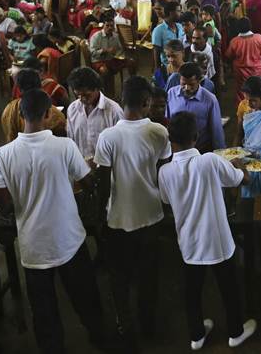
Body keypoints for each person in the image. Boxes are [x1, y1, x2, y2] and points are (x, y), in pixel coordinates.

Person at [0, 89, 111, 354]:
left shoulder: (2, 156)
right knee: (85, 297)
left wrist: (24, 190)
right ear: (48, 114)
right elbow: (88, 183)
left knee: (43, 309)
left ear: (20, 114)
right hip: (68, 238)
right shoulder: (64, 146)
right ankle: (99, 338)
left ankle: (52, 347)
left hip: (34, 246)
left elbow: (3, 206)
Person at [158, 111, 257, 349]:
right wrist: (240, 166)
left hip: (189, 240)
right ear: (196, 136)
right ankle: (235, 332)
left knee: (192, 290)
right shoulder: (209, 161)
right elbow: (241, 180)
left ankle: (196, 335)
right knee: (228, 286)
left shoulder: (165, 172)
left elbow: (167, 200)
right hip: (217, 239)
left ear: (170, 139)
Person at [93, 76, 169, 351]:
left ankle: (125, 326)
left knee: (120, 278)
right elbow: (164, 171)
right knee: (149, 277)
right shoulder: (159, 132)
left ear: (122, 101)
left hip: (118, 219)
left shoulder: (108, 136)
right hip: (151, 215)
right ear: (147, 102)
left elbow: (103, 181)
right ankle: (148, 322)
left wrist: (101, 217)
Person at [166, 62, 225, 152]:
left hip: (201, 150)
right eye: (183, 84)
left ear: (199, 81)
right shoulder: (171, 94)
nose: (187, 88)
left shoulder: (210, 100)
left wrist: (220, 153)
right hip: (176, 151)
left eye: (191, 85)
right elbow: (167, 121)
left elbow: (216, 130)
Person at [66, 67, 123, 159]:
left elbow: (120, 145)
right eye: (78, 95)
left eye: (87, 95)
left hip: (106, 165)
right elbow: (71, 140)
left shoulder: (113, 111)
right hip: (81, 165)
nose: (82, 99)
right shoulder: (72, 109)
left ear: (97, 88)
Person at [1, 69, 66, 142]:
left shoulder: (9, 110)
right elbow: (62, 134)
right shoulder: (55, 113)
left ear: (18, 88)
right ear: (40, 85)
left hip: (17, 149)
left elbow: (8, 132)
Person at [225, 17, 261, 103]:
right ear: (250, 26)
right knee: (258, 88)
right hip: (257, 69)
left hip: (240, 72)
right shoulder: (259, 38)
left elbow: (229, 55)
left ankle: (244, 111)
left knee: (242, 91)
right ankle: (258, 108)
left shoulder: (234, 41)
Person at [152, 1, 186, 74]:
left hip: (180, 68)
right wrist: (158, 73)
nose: (181, 13)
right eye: (178, 11)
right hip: (167, 68)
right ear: (171, 13)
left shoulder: (180, 27)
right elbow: (156, 54)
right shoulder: (158, 30)